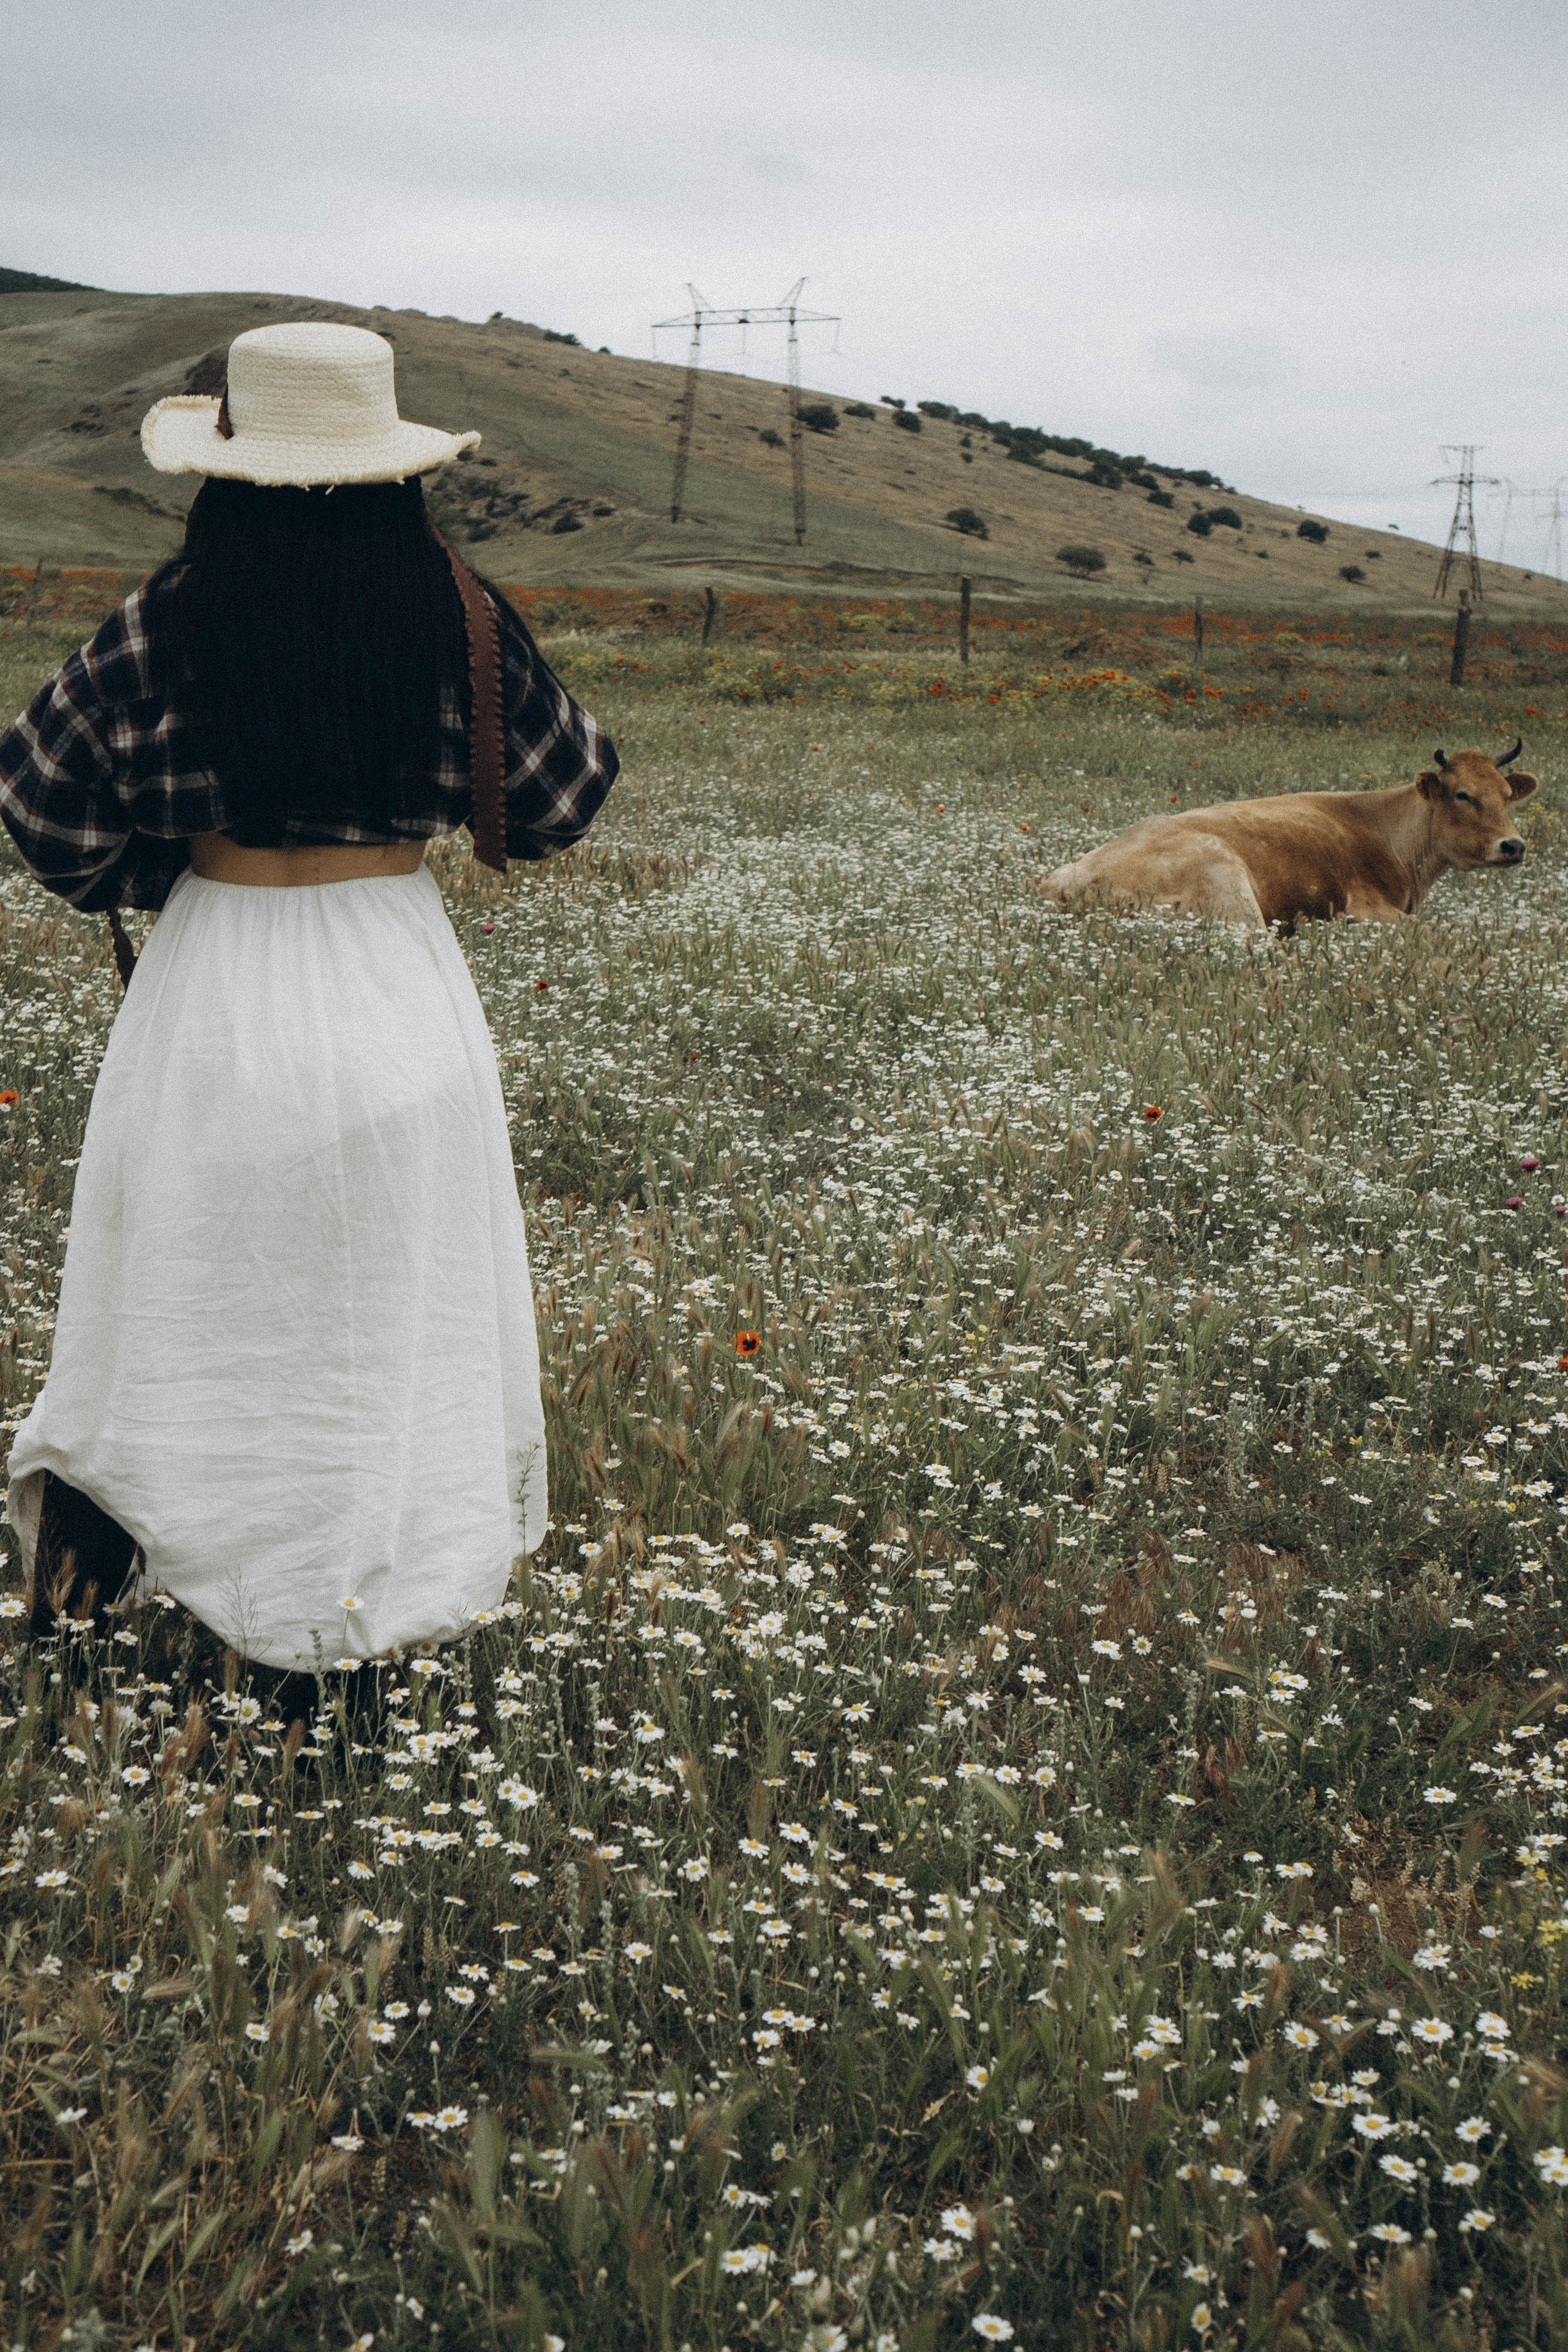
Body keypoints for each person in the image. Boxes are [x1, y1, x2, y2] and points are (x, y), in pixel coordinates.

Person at [0, 321, 617, 1714]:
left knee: (176, 1296)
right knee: (372, 1320)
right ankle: (330, 1641)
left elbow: (37, 802)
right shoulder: (449, 609)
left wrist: (152, 865)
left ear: (226, 468)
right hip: (393, 980)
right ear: (392, 468)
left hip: (216, 980)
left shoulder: (170, 613)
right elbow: (567, 793)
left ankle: (95, 1593)